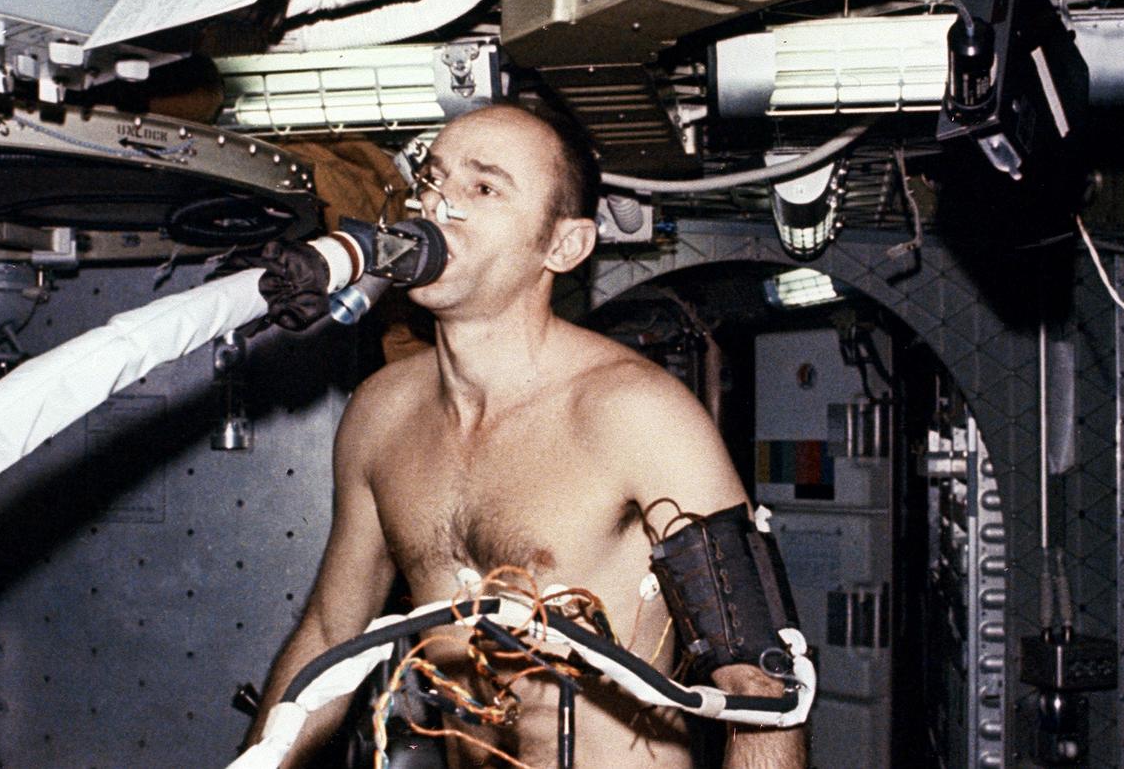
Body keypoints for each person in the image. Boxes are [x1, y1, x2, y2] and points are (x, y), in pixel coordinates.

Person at [249, 104, 807, 768]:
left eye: (483, 187)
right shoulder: (382, 414)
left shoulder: (637, 412)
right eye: (433, 178)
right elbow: (327, 637)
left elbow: (760, 686)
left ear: (563, 245)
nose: (439, 204)